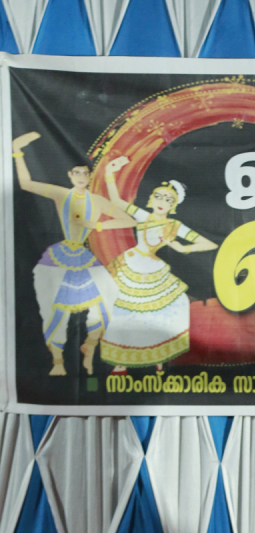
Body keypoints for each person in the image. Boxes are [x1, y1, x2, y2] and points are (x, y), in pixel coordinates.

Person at [11, 133, 131, 376]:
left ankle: (91, 345)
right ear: (70, 175)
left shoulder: (97, 201)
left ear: (90, 177)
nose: (81, 177)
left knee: (109, 296)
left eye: (85, 173)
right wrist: (17, 152)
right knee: (53, 306)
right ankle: (57, 361)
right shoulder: (61, 194)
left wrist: (97, 225)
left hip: (84, 257)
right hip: (59, 257)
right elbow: (26, 183)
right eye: (77, 173)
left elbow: (128, 220)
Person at [100, 160, 217, 372]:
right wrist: (109, 173)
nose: (162, 202)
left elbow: (210, 244)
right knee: (126, 310)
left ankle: (158, 356)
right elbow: (116, 200)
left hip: (154, 268)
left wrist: (182, 248)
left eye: (169, 199)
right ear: (151, 199)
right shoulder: (143, 216)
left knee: (162, 310)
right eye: (159, 196)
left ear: (174, 206)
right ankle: (121, 361)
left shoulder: (174, 225)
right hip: (132, 264)